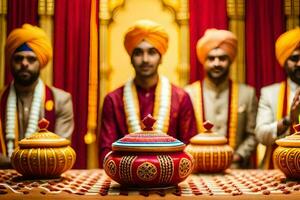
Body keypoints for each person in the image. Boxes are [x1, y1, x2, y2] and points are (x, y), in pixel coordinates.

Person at [99, 19, 197, 165]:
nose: (145, 59)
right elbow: (106, 152)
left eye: (151, 52)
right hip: (125, 179)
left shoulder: (181, 98)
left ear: (161, 57)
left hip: (171, 178)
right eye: (138, 53)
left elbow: (189, 149)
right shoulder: (113, 100)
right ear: (131, 58)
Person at [0, 24, 74, 167]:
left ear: (40, 62)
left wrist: (11, 162)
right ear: (10, 61)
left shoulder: (61, 100)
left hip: (47, 181)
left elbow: (60, 153)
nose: (24, 64)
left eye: (31, 59)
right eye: (18, 58)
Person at [185, 29, 258, 168]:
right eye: (211, 58)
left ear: (230, 60)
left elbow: (253, 134)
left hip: (237, 171)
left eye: (222, 58)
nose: (216, 63)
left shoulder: (247, 94)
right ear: (203, 61)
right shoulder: (188, 93)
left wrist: (237, 156)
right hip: (197, 169)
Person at [255, 27, 300, 169]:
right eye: (294, 58)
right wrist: (288, 120)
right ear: (285, 61)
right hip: (278, 171)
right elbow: (261, 135)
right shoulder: (270, 93)